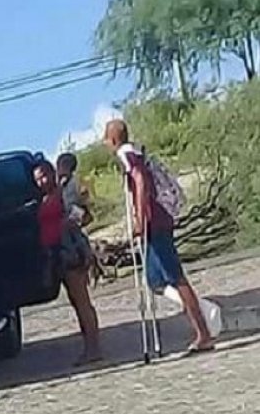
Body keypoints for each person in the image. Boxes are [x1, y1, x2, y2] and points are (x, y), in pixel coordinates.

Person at [104, 119, 214, 354]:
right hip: (159, 219)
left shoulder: (125, 154)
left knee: (175, 276)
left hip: (155, 221)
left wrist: (140, 219)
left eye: (106, 140)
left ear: (113, 140)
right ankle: (201, 311)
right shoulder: (136, 150)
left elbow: (141, 180)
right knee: (155, 280)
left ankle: (203, 331)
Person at [34, 162, 102, 365]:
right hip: (56, 254)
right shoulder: (44, 198)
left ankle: (93, 348)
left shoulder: (63, 193)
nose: (41, 181)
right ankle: (90, 346)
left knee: (82, 301)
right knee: (76, 301)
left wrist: (70, 223)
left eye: (44, 176)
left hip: (70, 251)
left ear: (52, 173)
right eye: (37, 178)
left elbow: (85, 215)